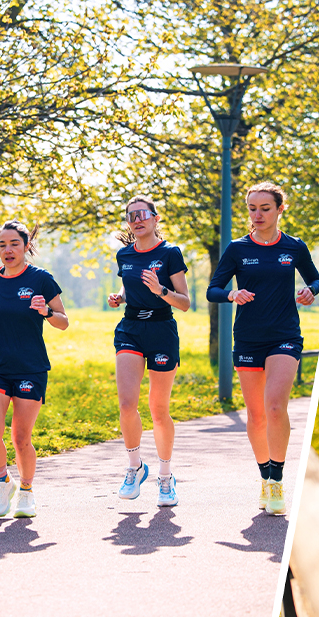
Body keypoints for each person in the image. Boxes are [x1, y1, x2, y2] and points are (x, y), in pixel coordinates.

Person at [206, 182, 319, 516]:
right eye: (252, 208)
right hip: (247, 337)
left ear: (279, 209)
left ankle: (277, 481)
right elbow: (213, 289)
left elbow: (315, 280)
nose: (257, 215)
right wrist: (231, 295)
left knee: (274, 407)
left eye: (265, 208)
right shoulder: (237, 249)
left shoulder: (294, 247)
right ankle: (264, 476)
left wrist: (309, 290)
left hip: (285, 335)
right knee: (256, 414)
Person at [0, 220, 69, 518]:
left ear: (26, 246)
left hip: (30, 366)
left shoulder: (41, 279)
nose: (8, 250)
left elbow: (63, 320)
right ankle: (3, 482)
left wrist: (47, 312)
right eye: (2, 245)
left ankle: (26, 490)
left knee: (21, 437)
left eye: (14, 244)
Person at [107, 196, 191, 507]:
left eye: (143, 214)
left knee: (158, 408)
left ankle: (166, 477)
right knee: (127, 403)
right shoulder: (124, 255)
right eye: (131, 216)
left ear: (155, 219)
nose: (137, 219)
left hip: (161, 330)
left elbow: (184, 302)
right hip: (130, 328)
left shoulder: (170, 253)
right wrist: (118, 296)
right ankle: (134, 468)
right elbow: (129, 286)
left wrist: (161, 291)